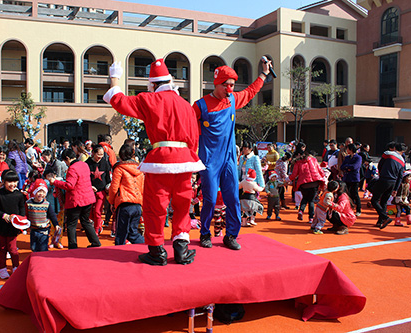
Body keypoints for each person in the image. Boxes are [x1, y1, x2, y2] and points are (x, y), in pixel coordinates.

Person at [104, 59, 205, 265]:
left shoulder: (149, 100)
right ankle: (181, 249)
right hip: (185, 161)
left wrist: (115, 77)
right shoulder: (187, 106)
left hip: (160, 160)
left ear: (153, 85)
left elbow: (119, 100)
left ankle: (157, 251)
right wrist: (189, 159)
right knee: (183, 206)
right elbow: (195, 137)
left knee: (155, 207)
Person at [193, 60, 271, 250]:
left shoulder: (233, 99)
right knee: (210, 199)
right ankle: (205, 234)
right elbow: (186, 127)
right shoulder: (200, 105)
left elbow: (251, 91)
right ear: (216, 84)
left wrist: (264, 73)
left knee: (233, 199)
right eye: (225, 85)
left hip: (229, 160)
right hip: (209, 161)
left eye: (232, 85)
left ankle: (231, 235)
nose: (229, 88)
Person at [48, 149, 100, 249]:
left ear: (67, 159)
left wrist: (55, 182)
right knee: (85, 221)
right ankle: (95, 242)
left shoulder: (72, 168)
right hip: (88, 198)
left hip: (76, 199)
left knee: (71, 224)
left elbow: (70, 185)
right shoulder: (84, 165)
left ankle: (73, 246)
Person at [0, 170, 26, 279]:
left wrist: (21, 222)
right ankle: (2, 269)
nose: (12, 184)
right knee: (3, 248)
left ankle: (16, 267)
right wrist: (4, 215)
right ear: (4, 182)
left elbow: (22, 209)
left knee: (13, 248)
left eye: (15, 181)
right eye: (9, 182)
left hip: (13, 226)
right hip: (1, 225)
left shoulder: (19, 195)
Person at [108, 143, 145, 246]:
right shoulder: (140, 169)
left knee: (121, 234)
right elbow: (142, 188)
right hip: (137, 203)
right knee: (133, 233)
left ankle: (119, 253)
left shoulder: (119, 168)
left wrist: (111, 202)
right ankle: (145, 246)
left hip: (125, 203)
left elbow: (114, 187)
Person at [371, 142, 406, 229]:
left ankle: (385, 217)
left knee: (374, 200)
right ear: (403, 151)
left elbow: (380, 165)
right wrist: (396, 189)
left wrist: (381, 173)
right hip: (393, 182)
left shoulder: (387, 154)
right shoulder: (402, 161)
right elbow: (400, 176)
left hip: (384, 179)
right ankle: (380, 221)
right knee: (384, 201)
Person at [288, 150, 325, 223]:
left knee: (305, 198)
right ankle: (311, 218)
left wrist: (287, 179)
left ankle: (301, 210)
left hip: (303, 183)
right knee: (311, 201)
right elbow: (320, 170)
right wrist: (323, 177)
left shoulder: (297, 163)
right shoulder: (314, 160)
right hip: (314, 183)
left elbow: (294, 174)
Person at [26, 180, 60, 252]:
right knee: (33, 247)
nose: (41, 194)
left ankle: (43, 260)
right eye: (39, 191)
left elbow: (52, 215)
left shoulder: (46, 204)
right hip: (33, 229)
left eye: (43, 192)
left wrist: (56, 224)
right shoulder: (28, 203)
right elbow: (25, 214)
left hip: (44, 229)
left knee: (43, 248)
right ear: (35, 192)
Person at [86, 145, 111, 235]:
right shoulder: (87, 163)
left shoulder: (105, 163)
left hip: (101, 191)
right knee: (89, 212)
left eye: (102, 154)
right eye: (98, 154)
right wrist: (89, 186)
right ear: (93, 153)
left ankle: (96, 230)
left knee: (97, 211)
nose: (100, 156)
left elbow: (108, 178)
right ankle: (97, 223)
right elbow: (85, 178)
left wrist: (108, 186)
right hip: (89, 191)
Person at [341, 143, 362, 216]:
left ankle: (358, 209)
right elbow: (342, 166)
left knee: (355, 194)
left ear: (351, 149)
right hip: (346, 178)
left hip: (354, 178)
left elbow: (355, 167)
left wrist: (347, 167)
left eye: (348, 149)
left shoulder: (358, 157)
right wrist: (348, 167)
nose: (346, 150)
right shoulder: (347, 158)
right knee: (346, 194)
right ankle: (349, 208)